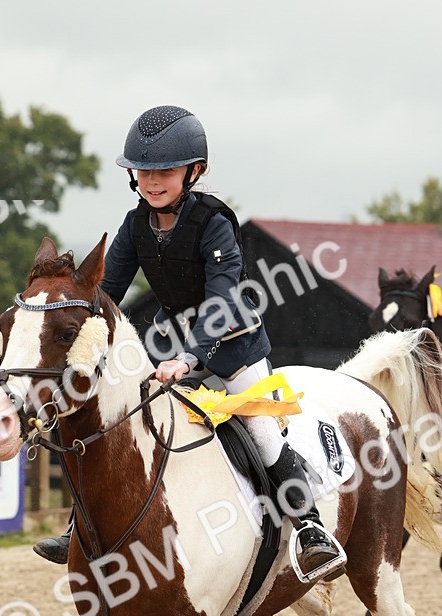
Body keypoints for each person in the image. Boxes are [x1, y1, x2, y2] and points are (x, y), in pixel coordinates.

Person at [34, 105, 344, 579]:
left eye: (166, 171)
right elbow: (107, 291)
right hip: (171, 348)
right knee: (119, 426)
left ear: (194, 171)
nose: (152, 181)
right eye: (143, 171)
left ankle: (310, 529)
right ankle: (80, 525)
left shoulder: (214, 222)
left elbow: (220, 300)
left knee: (262, 437)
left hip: (233, 350)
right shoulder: (136, 224)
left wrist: (189, 357)